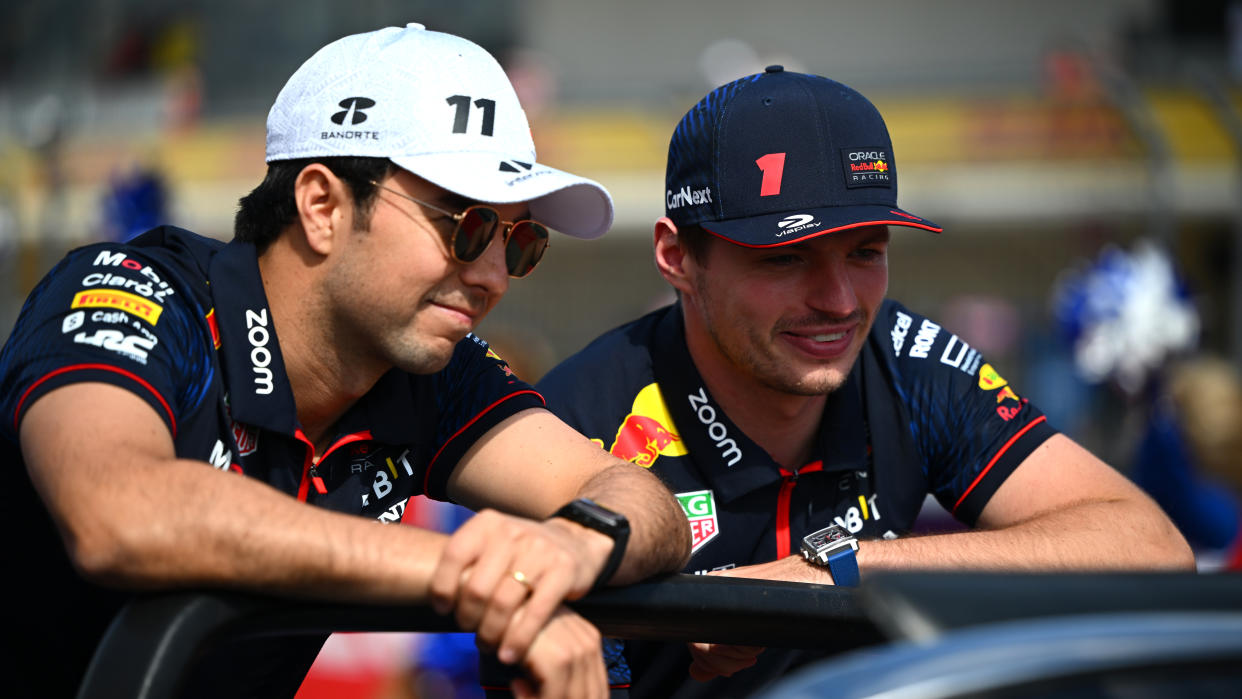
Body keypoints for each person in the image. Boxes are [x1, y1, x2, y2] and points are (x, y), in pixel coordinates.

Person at [0, 24, 690, 699]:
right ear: (323, 205)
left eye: (518, 241)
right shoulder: (134, 292)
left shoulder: (432, 367)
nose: (493, 278)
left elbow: (634, 496)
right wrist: (481, 578)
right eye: (465, 226)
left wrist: (570, 549)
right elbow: (119, 512)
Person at [535, 66, 1194, 697]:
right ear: (678, 258)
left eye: (865, 251)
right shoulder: (577, 420)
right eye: (786, 256)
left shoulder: (906, 359)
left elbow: (1151, 545)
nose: (841, 300)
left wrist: (832, 568)